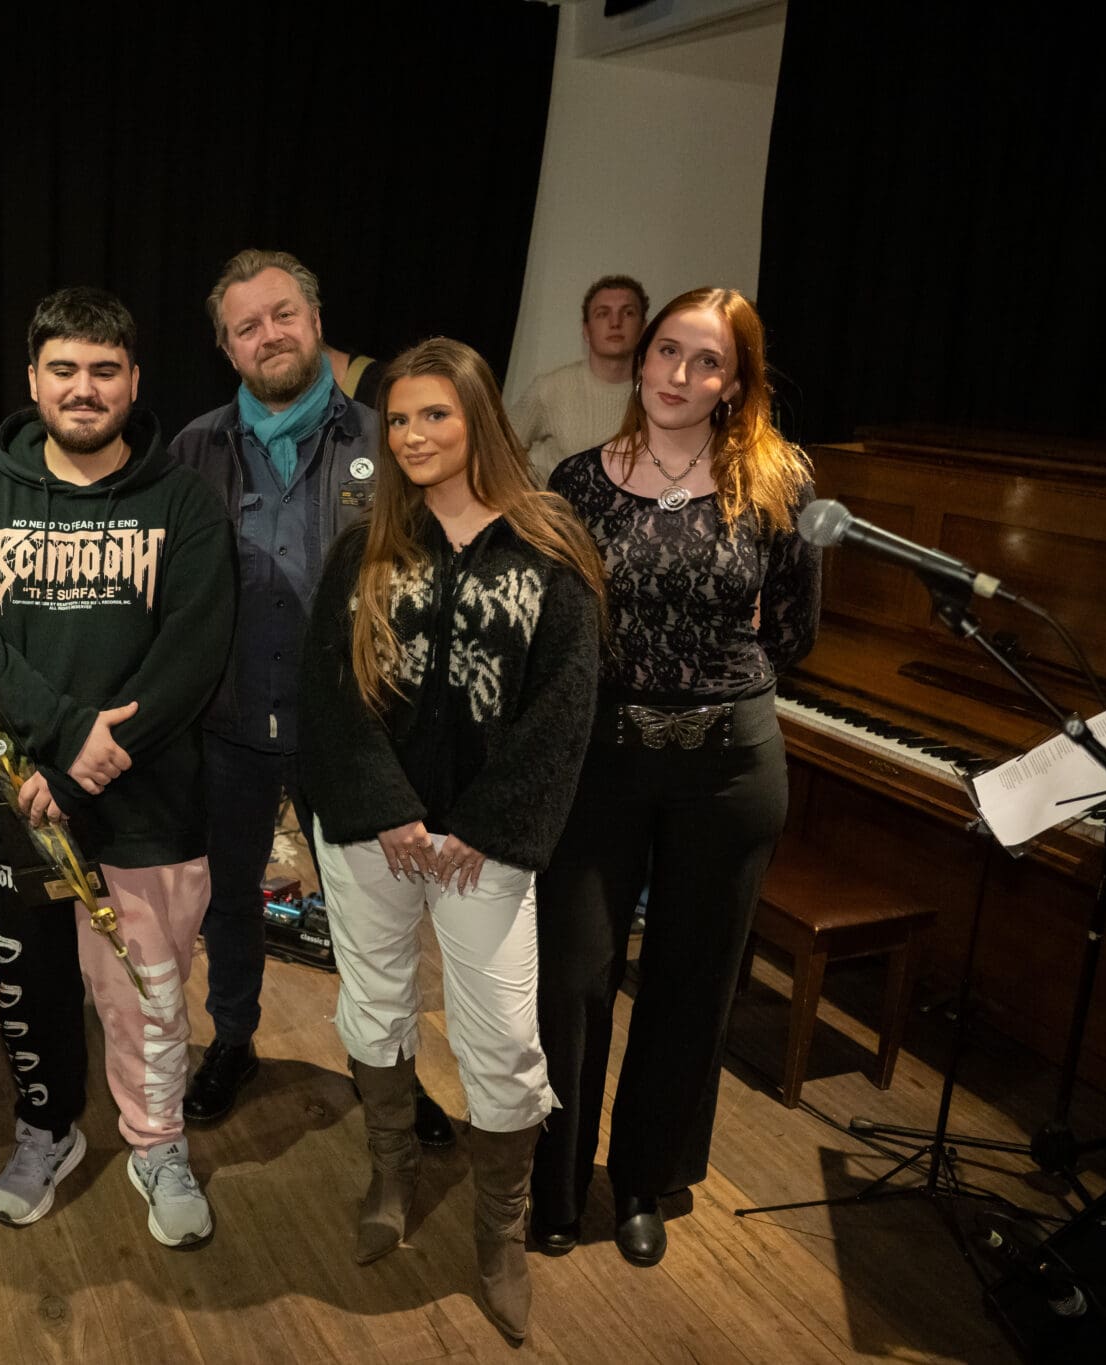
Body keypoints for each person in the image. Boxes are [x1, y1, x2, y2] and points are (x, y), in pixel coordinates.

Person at [298, 337, 602, 1345]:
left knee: (504, 1041)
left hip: (487, 841)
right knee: (373, 1002)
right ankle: (390, 1175)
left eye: (435, 414)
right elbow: (329, 691)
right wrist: (386, 807)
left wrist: (482, 826)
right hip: (370, 830)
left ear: (481, 418)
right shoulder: (364, 545)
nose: (412, 435)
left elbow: (564, 707)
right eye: (397, 419)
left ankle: (499, 1233)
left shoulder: (551, 548)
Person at [0, 287, 234, 1247]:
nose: (84, 388)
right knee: (31, 989)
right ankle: (48, 1130)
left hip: (146, 802)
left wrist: (93, 763)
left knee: (149, 992)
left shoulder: (183, 502)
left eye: (105, 370)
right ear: (34, 379)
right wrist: (65, 739)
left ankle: (157, 1141)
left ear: (134, 380)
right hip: (10, 798)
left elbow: (193, 651)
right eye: (64, 369)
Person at [533, 287, 820, 1269]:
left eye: (706, 362)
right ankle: (555, 1182)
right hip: (601, 759)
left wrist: (711, 682)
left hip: (727, 769)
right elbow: (557, 626)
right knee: (572, 977)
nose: (679, 374)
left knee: (691, 983)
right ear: (642, 358)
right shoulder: (577, 479)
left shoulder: (776, 481)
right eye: (667, 351)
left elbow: (795, 631)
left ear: (733, 383)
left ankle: (643, 1182)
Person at [168, 248, 454, 1144]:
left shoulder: (388, 440)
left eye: (283, 314)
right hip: (231, 723)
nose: (269, 335)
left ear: (317, 322)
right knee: (230, 902)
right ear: (227, 348)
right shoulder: (193, 450)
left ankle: (390, 1071)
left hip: (355, 733)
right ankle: (234, 1040)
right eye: (246, 326)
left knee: (377, 920)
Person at [508, 275, 647, 484]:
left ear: (644, 328)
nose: (615, 323)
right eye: (603, 314)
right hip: (557, 504)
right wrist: (533, 494)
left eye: (628, 313)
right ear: (586, 330)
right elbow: (501, 448)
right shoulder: (550, 388)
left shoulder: (659, 394)